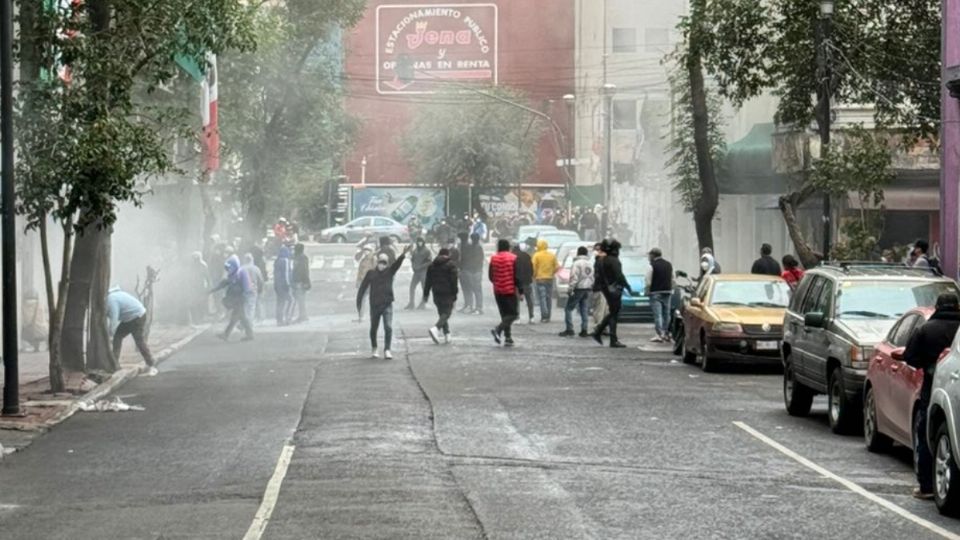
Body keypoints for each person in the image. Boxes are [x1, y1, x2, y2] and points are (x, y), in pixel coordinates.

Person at [905, 293, 960, 500]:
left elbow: (910, 356)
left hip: (933, 384)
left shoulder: (926, 329)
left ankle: (927, 486)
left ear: (937, 306)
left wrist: (926, 365)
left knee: (927, 431)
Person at [357, 245, 411, 359]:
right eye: (380, 262)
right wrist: (359, 303)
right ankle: (374, 348)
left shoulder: (390, 272)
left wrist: (403, 254)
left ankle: (387, 349)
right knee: (374, 327)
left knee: (388, 327)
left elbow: (397, 264)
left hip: (387, 304)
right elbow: (362, 288)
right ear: (377, 262)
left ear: (387, 263)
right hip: (375, 305)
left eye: (384, 262)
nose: (382, 265)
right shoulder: (371, 273)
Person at [107, 287, 157, 375]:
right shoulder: (114, 295)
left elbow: (114, 318)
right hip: (131, 317)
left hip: (137, 316)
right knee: (118, 337)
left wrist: (110, 333)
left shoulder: (111, 300)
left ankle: (151, 364)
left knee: (138, 340)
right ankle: (114, 364)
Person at [592, 240, 632, 348]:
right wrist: (627, 286)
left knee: (613, 312)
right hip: (614, 288)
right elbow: (619, 275)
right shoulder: (614, 261)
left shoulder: (601, 260)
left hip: (606, 288)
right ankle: (605, 335)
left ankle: (608, 336)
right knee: (614, 312)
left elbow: (597, 275)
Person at [212, 255, 255, 342]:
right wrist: (212, 290)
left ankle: (227, 334)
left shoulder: (241, 272)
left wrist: (246, 295)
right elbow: (223, 284)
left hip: (240, 298)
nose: (228, 269)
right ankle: (248, 334)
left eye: (229, 267)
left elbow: (247, 285)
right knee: (241, 317)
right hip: (236, 298)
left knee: (236, 317)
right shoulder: (233, 274)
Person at [424, 248, 459, 345]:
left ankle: (447, 334)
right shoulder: (451, 265)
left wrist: (426, 294)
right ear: (448, 254)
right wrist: (455, 294)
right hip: (448, 293)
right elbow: (454, 281)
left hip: (436, 292)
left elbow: (428, 281)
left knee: (442, 313)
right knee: (447, 313)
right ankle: (436, 328)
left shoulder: (431, 265)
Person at [489, 239, 520, 346]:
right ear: (508, 247)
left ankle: (508, 337)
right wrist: (520, 290)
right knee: (513, 314)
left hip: (498, 290)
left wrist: (498, 281)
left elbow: (490, 276)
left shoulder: (494, 258)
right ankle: (498, 329)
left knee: (504, 315)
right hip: (510, 290)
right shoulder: (513, 258)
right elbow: (517, 276)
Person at [559, 246, 594, 338]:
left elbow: (574, 278)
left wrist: (570, 289)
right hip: (588, 289)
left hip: (578, 288)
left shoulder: (576, 263)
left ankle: (569, 329)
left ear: (578, 253)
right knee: (584, 309)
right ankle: (584, 330)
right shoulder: (590, 263)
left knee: (568, 308)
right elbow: (592, 277)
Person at [647, 248, 674, 343]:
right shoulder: (669, 264)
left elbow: (648, 281)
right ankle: (666, 333)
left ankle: (659, 334)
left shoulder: (652, 266)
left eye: (649, 255)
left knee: (658, 314)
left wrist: (647, 291)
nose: (649, 257)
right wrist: (671, 289)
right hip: (667, 291)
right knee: (667, 314)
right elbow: (672, 278)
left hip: (655, 292)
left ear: (653, 255)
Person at [532, 238, 559, 322]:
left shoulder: (536, 255)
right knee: (548, 297)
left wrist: (534, 275)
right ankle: (548, 316)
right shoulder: (552, 255)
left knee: (542, 297)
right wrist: (552, 273)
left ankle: (544, 315)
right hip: (550, 279)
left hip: (540, 279)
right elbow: (557, 266)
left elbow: (533, 267)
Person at [460, 233, 485, 314]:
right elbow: (480, 260)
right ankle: (478, 307)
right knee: (477, 290)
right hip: (477, 271)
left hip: (470, 270)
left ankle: (472, 306)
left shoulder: (469, 247)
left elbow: (464, 259)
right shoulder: (479, 248)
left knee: (469, 289)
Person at [406, 237, 432, 310]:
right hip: (416, 272)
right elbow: (413, 259)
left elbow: (430, 261)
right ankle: (411, 303)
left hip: (423, 271)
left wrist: (421, 266)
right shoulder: (415, 250)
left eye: (421, 242)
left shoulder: (427, 251)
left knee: (424, 288)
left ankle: (423, 303)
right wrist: (413, 265)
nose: (419, 243)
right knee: (412, 287)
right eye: (418, 242)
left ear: (423, 242)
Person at [513, 241, 536, 323]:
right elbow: (531, 268)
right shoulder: (527, 256)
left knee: (516, 301)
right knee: (529, 300)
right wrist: (530, 277)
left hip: (517, 282)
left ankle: (517, 318)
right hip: (527, 281)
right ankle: (531, 317)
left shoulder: (513, 257)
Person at [241, 253, 264, 325]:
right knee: (251, 306)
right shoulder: (256, 268)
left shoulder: (241, 268)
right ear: (251, 260)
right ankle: (249, 322)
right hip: (253, 289)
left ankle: (244, 322)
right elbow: (260, 280)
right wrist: (261, 289)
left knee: (245, 306)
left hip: (243, 290)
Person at [590, 242, 609, 329]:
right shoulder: (596, 261)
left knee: (601, 310)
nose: (597, 251)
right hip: (598, 288)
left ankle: (599, 327)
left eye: (599, 250)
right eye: (596, 249)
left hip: (601, 288)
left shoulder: (603, 261)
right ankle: (602, 326)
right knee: (600, 309)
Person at [291, 243, 311, 323]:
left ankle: (303, 316)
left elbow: (303, 270)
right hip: (300, 281)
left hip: (299, 281)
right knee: (301, 300)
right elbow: (305, 271)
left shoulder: (299, 258)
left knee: (301, 300)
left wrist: (305, 281)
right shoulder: (302, 258)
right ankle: (303, 315)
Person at [273, 246, 293, 326]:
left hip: (277, 285)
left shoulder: (277, 261)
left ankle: (279, 320)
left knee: (279, 302)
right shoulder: (285, 261)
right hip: (284, 285)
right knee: (290, 300)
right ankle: (287, 318)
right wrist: (289, 284)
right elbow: (286, 274)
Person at [188, 252, 210, 325]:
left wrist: (209, 285)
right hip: (193, 287)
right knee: (193, 303)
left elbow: (207, 276)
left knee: (201, 303)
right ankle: (195, 319)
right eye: (195, 259)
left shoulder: (203, 265)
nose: (196, 260)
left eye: (197, 259)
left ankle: (201, 318)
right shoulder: (191, 265)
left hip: (201, 286)